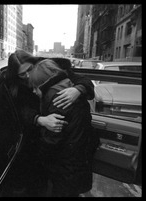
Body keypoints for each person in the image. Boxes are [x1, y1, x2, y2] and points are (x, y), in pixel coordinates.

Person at [3, 50, 97, 196]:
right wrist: (39, 119)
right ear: (16, 76)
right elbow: (17, 110)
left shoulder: (53, 70)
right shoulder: (16, 87)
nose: (28, 76)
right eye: (22, 74)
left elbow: (85, 81)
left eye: (30, 69)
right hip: (33, 139)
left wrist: (78, 89)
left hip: (54, 145)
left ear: (36, 63)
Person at [27, 58, 99, 197]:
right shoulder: (67, 85)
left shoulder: (56, 98)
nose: (34, 92)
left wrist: (38, 155)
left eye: (35, 87)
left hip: (66, 166)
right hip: (77, 157)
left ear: (43, 83)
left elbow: (52, 140)